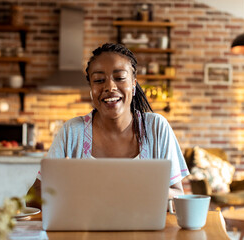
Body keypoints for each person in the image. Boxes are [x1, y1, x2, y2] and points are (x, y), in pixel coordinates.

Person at [26, 43, 189, 209]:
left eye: (119, 78)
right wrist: (63, 186)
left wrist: (145, 190)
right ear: (91, 89)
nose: (110, 87)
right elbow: (32, 199)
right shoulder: (72, 131)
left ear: (133, 84)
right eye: (98, 80)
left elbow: (179, 196)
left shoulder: (156, 128)